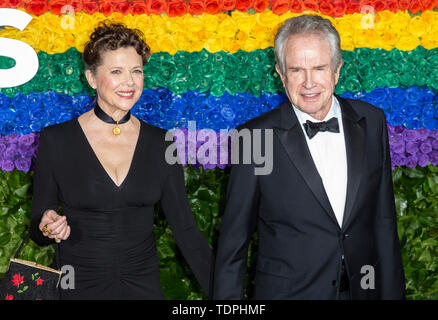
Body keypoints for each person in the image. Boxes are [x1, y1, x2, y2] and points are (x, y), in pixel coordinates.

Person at [213, 15, 405, 300]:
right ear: (280, 74)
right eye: (296, 70)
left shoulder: (372, 121)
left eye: (319, 68)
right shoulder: (254, 137)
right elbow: (233, 245)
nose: (308, 82)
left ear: (337, 70)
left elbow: (384, 221)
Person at [30, 22, 213, 299]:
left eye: (136, 71)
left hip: (143, 288)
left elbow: (185, 228)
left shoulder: (162, 142)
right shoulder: (57, 140)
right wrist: (47, 224)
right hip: (78, 287)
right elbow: (38, 227)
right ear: (91, 78)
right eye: (116, 71)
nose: (129, 82)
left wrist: (227, 294)